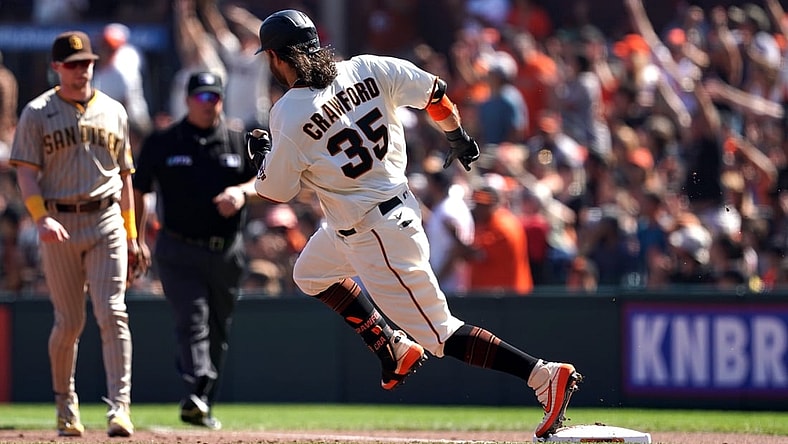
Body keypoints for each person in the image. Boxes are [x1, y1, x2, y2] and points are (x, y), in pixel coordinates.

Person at [248, 9, 582, 439]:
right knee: (309, 273)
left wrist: (261, 157)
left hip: (375, 234)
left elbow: (275, 191)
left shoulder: (287, 113)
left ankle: (542, 375)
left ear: (277, 57)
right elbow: (437, 94)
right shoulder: (368, 67)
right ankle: (394, 349)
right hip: (375, 214)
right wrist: (457, 137)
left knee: (442, 335)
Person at [8, 30, 138, 437]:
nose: (82, 71)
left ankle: (120, 408)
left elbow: (126, 178)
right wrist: (40, 217)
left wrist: (132, 234)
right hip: (59, 223)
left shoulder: (115, 111)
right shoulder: (36, 112)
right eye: (74, 64)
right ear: (57, 68)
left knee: (113, 311)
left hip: (105, 221)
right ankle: (66, 406)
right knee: (68, 323)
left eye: (88, 63)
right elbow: (26, 175)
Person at [132, 72, 258, 430]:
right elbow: (139, 189)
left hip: (226, 251)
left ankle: (203, 402)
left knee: (217, 327)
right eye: (202, 97)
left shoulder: (238, 141)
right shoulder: (164, 141)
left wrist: (242, 192)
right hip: (178, 249)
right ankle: (197, 388)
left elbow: (265, 181)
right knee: (193, 319)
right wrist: (137, 237)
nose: (209, 104)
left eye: (214, 97)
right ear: (187, 100)